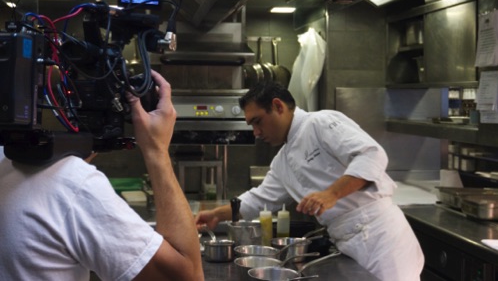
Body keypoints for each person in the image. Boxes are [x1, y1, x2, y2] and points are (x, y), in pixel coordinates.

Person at [195, 81, 424, 281]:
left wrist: (331, 194)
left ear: (278, 106)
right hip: (348, 243)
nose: (256, 132)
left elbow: (372, 154)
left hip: (382, 240)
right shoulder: (282, 160)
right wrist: (217, 214)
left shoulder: (320, 122)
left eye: (258, 122)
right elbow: (258, 199)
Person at [0, 71, 204, 281]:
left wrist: (90, 138)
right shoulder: (73, 186)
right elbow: (187, 277)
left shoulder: (6, 161)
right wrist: (156, 149)